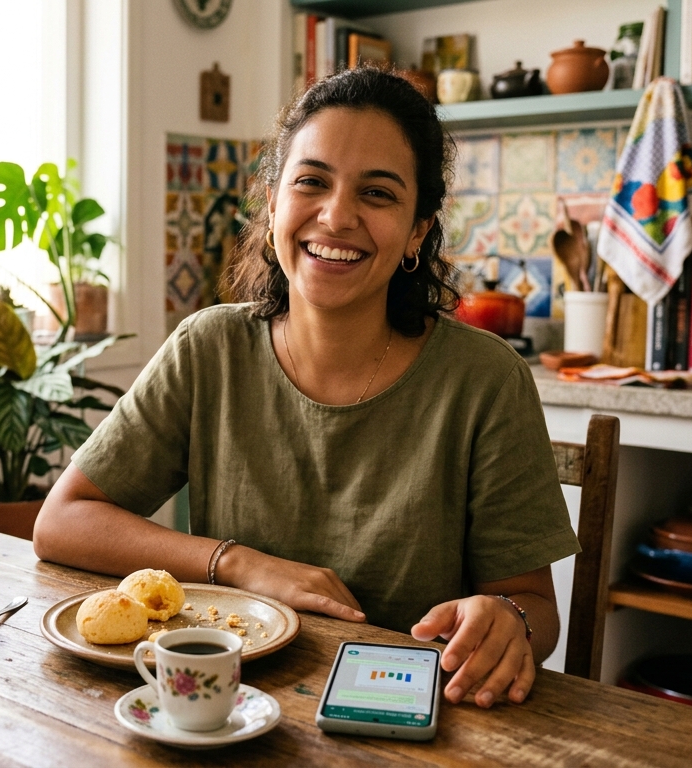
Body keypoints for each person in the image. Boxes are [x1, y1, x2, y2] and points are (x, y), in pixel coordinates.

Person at [32, 67, 580, 709]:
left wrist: (506, 621)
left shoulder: (485, 381)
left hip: (404, 724)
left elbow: (536, 608)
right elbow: (62, 521)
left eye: (377, 194)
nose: (336, 215)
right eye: (311, 182)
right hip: (224, 712)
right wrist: (239, 564)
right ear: (273, 207)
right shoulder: (208, 350)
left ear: (416, 233)